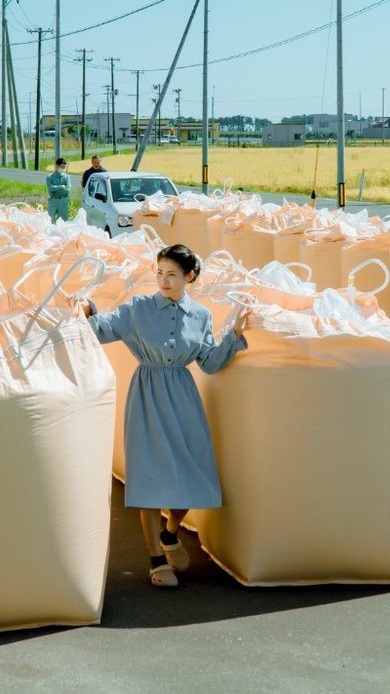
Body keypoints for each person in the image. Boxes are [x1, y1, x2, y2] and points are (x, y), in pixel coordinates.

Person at [85, 244, 254, 588]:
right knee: (149, 480)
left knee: (191, 476)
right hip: (147, 394)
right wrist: (85, 308)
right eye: (159, 273)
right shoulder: (138, 309)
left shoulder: (202, 315)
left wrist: (234, 336)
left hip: (183, 396)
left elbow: (208, 361)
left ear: (189, 277)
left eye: (172, 275)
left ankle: (170, 532)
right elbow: (102, 329)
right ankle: (156, 560)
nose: (163, 280)